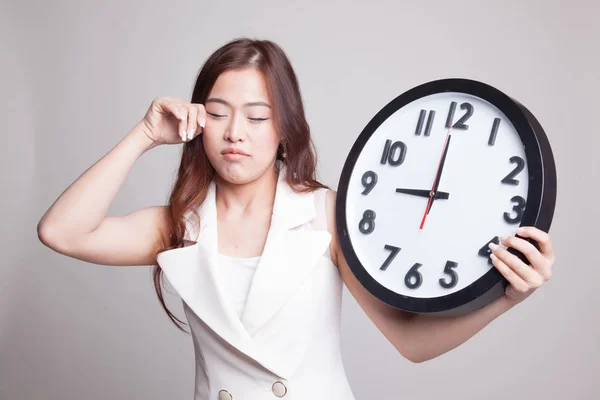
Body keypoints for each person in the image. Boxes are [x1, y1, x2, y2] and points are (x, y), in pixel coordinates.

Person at [37, 38, 556, 400]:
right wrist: (145, 134)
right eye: (217, 113)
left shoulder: (328, 212)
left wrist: (505, 299)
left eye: (257, 116)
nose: (234, 132)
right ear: (197, 120)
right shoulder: (178, 225)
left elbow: (411, 342)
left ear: (284, 128)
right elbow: (61, 231)